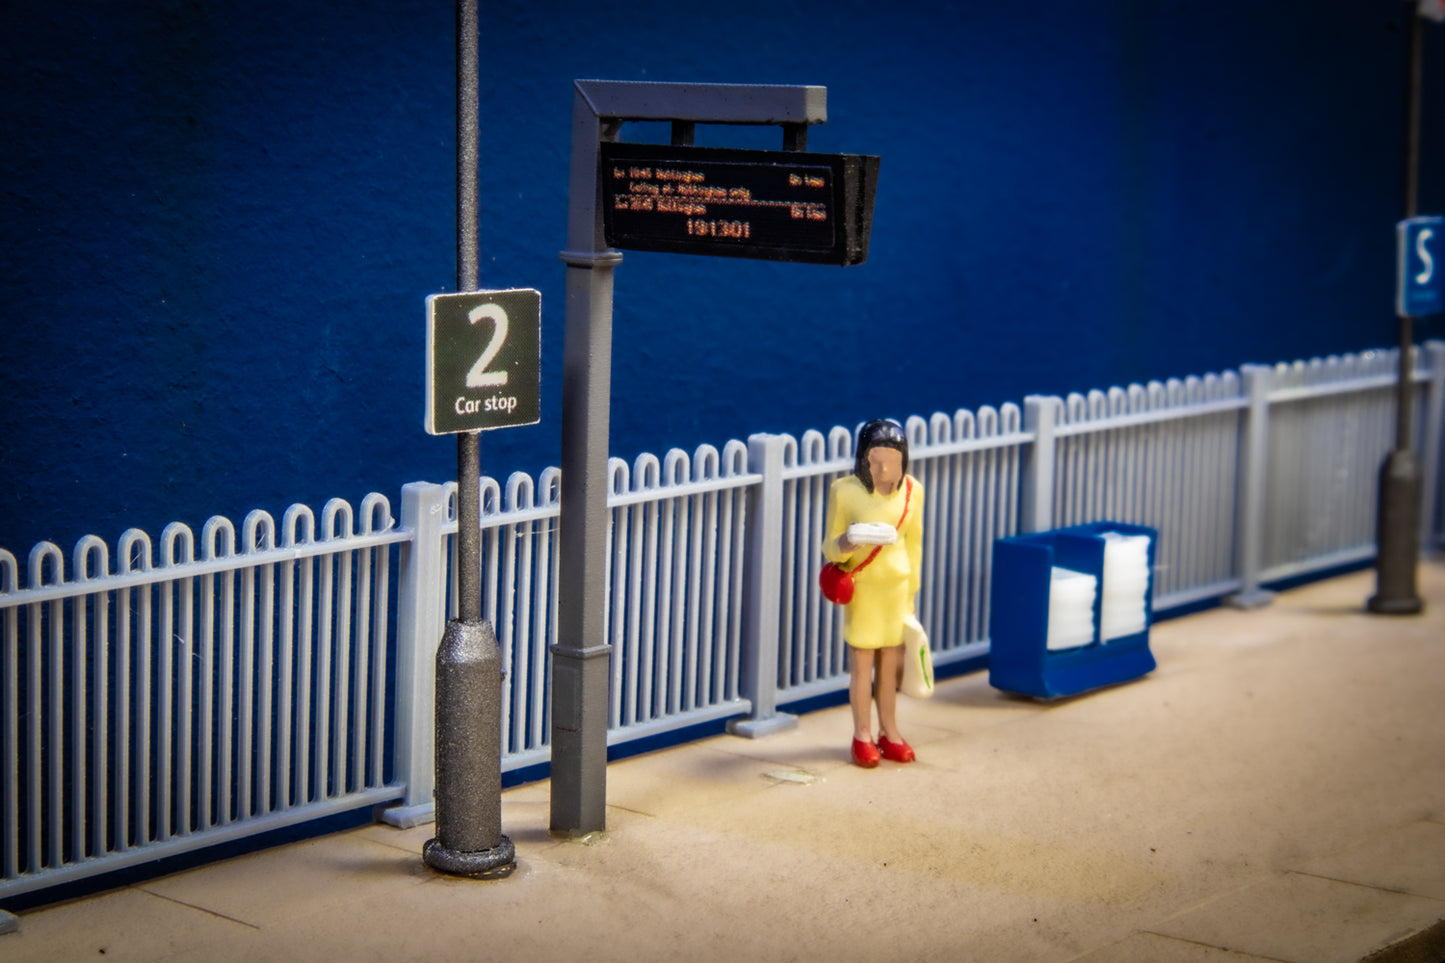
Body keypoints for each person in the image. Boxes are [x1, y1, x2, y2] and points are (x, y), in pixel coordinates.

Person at [821, 419, 924, 768]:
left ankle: (890, 732)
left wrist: (912, 594)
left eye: (891, 461)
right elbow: (830, 547)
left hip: (895, 590)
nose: (883, 468)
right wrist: (849, 540)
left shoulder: (913, 491)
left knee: (890, 666)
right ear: (863, 460)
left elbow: (915, 546)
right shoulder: (844, 491)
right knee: (862, 667)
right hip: (864, 590)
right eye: (875, 460)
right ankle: (862, 734)